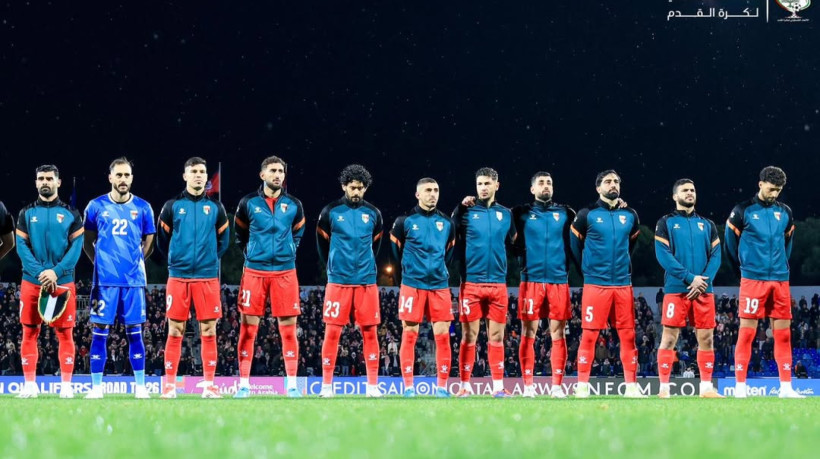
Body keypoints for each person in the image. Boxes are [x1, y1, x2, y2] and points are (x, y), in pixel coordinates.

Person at [725, 166, 803, 398]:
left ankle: (786, 388)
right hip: (753, 279)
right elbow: (730, 244)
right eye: (771, 189)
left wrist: (781, 267)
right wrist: (743, 271)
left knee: (784, 334)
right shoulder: (742, 210)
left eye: (778, 190)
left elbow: (787, 243)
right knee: (747, 333)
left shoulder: (785, 212)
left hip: (779, 280)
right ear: (760, 184)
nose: (774, 194)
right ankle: (740, 386)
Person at [157, 157, 230, 399]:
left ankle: (209, 386)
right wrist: (178, 259)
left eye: (202, 172)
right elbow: (162, 241)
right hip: (178, 277)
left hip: (207, 277)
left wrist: (208, 259)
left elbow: (224, 241)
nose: (199, 175)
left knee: (209, 330)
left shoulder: (216, 208)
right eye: (194, 171)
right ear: (185, 176)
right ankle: (169, 386)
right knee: (175, 330)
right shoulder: (172, 206)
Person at [83, 157, 156, 399]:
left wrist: (135, 264)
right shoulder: (95, 206)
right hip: (103, 283)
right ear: (110, 177)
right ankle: (95, 388)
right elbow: (87, 241)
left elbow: (149, 242)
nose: (123, 179)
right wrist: (101, 265)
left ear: (131, 178)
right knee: (99, 331)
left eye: (127, 175)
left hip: (133, 282)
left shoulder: (144, 207)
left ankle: (140, 387)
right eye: (119, 175)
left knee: (135, 332)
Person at [233, 155, 305, 398]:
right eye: (273, 170)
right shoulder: (248, 203)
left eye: (281, 171)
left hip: (285, 272)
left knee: (288, 329)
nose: (278, 175)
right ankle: (244, 384)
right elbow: (239, 233)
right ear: (262, 175)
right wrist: (253, 253)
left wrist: (290, 250)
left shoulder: (294, 204)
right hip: (255, 272)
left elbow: (298, 232)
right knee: (248, 329)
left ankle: (292, 384)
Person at [570, 170, 645, 398]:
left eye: (616, 182)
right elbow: (575, 247)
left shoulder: (631, 215)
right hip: (596, 285)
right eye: (607, 182)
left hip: (623, 284)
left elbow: (631, 245)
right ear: (598, 188)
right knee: (589, 335)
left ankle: (631, 387)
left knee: (628, 336)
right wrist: (589, 271)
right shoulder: (586, 214)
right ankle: (582, 386)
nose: (613, 185)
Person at [15, 164, 84, 398]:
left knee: (65, 334)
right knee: (29, 332)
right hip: (32, 282)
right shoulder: (26, 213)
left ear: (58, 182)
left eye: (49, 178)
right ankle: (30, 385)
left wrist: (56, 271)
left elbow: (77, 248)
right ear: (36, 183)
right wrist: (41, 273)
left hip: (62, 283)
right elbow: (21, 248)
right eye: (41, 178)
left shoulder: (71, 214)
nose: (45, 182)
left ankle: (66, 386)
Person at [316, 164, 383, 397]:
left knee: (370, 332)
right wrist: (334, 267)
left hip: (366, 281)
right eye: (353, 187)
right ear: (344, 186)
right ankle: (326, 386)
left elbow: (376, 245)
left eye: (361, 188)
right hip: (338, 282)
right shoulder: (330, 212)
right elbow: (322, 245)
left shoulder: (374, 213)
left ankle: (373, 386)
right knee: (332, 333)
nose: (357, 192)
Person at [654, 178, 722, 399]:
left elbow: (716, 257)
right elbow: (663, 255)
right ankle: (664, 388)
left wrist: (703, 282)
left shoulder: (708, 224)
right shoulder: (665, 222)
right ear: (675, 196)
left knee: (707, 339)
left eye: (692, 189)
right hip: (676, 288)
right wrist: (690, 278)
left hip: (704, 290)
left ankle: (705, 389)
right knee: (669, 338)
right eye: (684, 190)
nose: (690, 193)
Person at [452, 167, 517, 397]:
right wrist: (459, 207)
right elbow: (451, 231)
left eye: (488, 183)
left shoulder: (506, 214)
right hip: (472, 284)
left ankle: (498, 388)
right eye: (480, 184)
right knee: (469, 336)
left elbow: (515, 245)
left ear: (497, 185)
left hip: (498, 284)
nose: (483, 187)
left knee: (497, 337)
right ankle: (465, 386)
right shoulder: (467, 212)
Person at [390, 177, 456, 398]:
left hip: (439, 286)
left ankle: (442, 387)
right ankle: (408, 387)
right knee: (409, 334)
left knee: (443, 335)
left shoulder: (447, 223)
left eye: (436, 190)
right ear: (417, 194)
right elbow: (394, 253)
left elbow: (449, 253)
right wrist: (407, 277)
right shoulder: (404, 221)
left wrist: (438, 271)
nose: (433, 194)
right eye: (428, 190)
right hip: (412, 285)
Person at [512, 172, 575, 398]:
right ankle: (528, 386)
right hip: (531, 280)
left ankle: (556, 386)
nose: (546, 186)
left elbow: (579, 240)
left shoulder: (566, 213)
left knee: (558, 333)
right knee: (528, 332)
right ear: (532, 189)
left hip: (559, 280)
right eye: (541, 183)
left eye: (549, 182)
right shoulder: (520, 213)